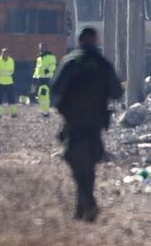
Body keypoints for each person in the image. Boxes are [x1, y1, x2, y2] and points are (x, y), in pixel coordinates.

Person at [51, 27, 123, 222]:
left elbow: (56, 90)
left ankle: (87, 204)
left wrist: (63, 109)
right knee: (89, 163)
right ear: (95, 41)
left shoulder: (70, 62)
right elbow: (117, 92)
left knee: (76, 161)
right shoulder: (103, 64)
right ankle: (82, 207)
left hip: (74, 121)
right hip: (96, 121)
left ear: (80, 41)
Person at [32, 42, 57, 117]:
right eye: (40, 47)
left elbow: (53, 65)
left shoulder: (50, 56)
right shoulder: (39, 57)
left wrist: (47, 70)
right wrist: (34, 77)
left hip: (47, 78)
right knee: (39, 95)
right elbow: (37, 68)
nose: (41, 49)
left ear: (46, 48)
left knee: (44, 94)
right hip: (39, 78)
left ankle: (46, 112)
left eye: (42, 47)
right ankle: (44, 110)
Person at [0, 48, 16, 118]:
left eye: (6, 53)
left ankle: (13, 113)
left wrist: (1, 73)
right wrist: (1, 75)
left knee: (11, 99)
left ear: (8, 54)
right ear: (1, 53)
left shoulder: (11, 60)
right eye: (4, 53)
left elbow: (12, 71)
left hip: (9, 83)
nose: (5, 54)